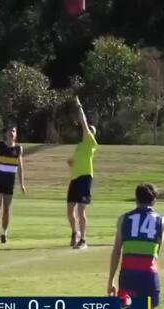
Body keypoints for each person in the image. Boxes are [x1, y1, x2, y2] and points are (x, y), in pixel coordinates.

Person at [107, 183, 164, 309]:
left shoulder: (124, 219)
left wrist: (111, 280)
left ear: (136, 198)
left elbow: (117, 251)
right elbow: (158, 251)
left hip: (128, 277)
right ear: (154, 200)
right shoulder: (161, 221)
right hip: (149, 276)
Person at [0, 126, 26, 244]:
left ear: (16, 134)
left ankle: (4, 233)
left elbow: (20, 168)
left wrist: (22, 184)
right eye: (9, 131)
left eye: (13, 131)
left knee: (7, 209)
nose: (11, 133)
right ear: (6, 133)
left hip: (9, 182)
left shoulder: (18, 149)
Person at [67, 96, 97, 249]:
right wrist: (71, 163)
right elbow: (73, 162)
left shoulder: (90, 142)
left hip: (85, 178)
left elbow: (84, 123)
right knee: (70, 209)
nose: (87, 130)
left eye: (90, 130)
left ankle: (83, 239)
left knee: (81, 210)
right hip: (75, 178)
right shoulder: (80, 146)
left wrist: (79, 106)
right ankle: (75, 233)